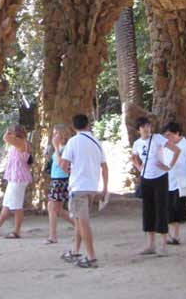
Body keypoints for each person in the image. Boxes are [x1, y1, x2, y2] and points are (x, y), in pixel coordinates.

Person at [59, 114, 108, 269]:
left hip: (78, 186)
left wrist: (71, 171)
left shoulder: (73, 142)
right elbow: (104, 167)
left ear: (73, 126)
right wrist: (105, 188)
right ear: (88, 124)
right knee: (79, 221)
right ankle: (75, 251)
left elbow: (63, 165)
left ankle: (91, 257)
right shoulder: (97, 142)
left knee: (83, 222)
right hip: (92, 187)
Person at [130, 117, 180, 257]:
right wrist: (139, 168)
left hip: (160, 178)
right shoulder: (137, 143)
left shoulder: (158, 138)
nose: (146, 129)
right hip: (146, 178)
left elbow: (176, 150)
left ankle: (163, 245)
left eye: (148, 126)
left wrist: (168, 166)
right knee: (148, 210)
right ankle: (150, 244)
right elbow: (133, 157)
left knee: (161, 209)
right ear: (138, 130)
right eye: (143, 127)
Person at [0, 125, 32, 239]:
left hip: (18, 178)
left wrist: (8, 131)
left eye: (11, 132)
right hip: (14, 177)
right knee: (7, 204)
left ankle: (16, 231)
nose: (9, 134)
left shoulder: (20, 142)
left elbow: (5, 138)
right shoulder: (18, 143)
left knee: (17, 205)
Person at [162, 122, 186, 244]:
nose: (167, 138)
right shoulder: (166, 146)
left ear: (177, 133)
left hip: (183, 182)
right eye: (166, 135)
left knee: (177, 206)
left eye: (170, 135)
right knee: (172, 208)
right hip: (169, 182)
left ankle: (176, 235)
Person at [45, 124, 74, 244]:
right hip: (56, 178)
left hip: (61, 179)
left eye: (56, 133)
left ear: (63, 135)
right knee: (56, 208)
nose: (54, 136)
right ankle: (79, 226)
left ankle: (53, 236)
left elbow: (61, 164)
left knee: (53, 207)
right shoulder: (60, 147)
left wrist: (56, 148)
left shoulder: (65, 148)